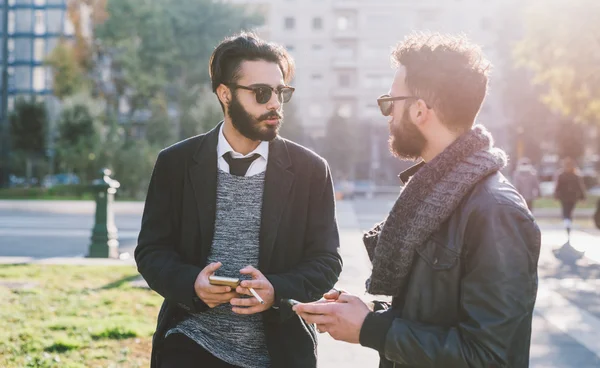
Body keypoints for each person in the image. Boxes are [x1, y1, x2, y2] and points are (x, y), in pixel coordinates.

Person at [294, 33, 541, 367]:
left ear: (421, 111)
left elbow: (489, 357)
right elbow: (434, 318)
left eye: (391, 103)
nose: (388, 116)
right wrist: (369, 316)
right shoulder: (436, 195)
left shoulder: (495, 211)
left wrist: (371, 330)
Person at [135, 32, 342, 368]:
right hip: (189, 342)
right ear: (225, 94)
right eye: (261, 93)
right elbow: (151, 251)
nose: (274, 103)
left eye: (280, 92)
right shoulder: (175, 163)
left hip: (280, 353)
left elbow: (326, 262)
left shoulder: (311, 170)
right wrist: (192, 284)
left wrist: (275, 289)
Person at [554, 157, 586, 239]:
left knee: (566, 211)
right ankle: (568, 223)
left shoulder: (562, 175)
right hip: (572, 197)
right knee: (569, 211)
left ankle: (567, 223)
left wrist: (556, 195)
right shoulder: (576, 175)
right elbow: (580, 187)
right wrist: (582, 197)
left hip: (564, 197)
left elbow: (558, 187)